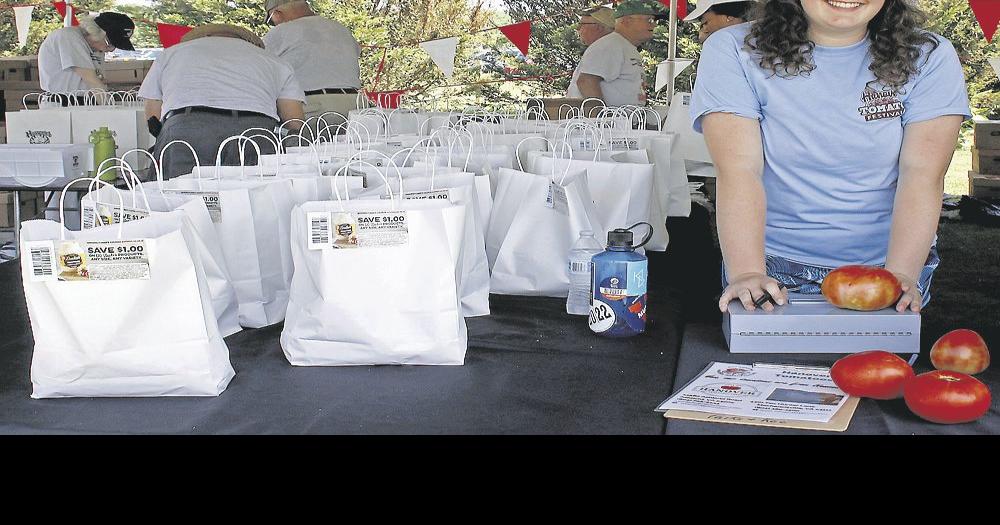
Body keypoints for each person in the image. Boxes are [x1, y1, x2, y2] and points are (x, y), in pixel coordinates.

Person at [690, 0, 970, 314]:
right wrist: (747, 272)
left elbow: (922, 173)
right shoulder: (733, 49)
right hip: (771, 265)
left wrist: (900, 274)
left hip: (887, 266)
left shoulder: (929, 56)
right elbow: (739, 168)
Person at [138, 24, 306, 180]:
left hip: (186, 131)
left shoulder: (171, 54)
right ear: (248, 42)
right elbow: (294, 122)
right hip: (255, 132)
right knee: (254, 200)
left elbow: (153, 114)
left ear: (203, 37)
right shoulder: (274, 60)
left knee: (180, 199)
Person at [263, 0, 362, 122]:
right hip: (356, 106)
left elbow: (259, 66)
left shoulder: (281, 32)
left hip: (313, 108)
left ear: (277, 14)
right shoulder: (342, 29)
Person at [569, 0, 666, 106]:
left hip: (622, 120)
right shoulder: (611, 45)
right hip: (608, 121)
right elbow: (586, 81)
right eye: (649, 20)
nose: (654, 25)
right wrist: (603, 117)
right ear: (627, 21)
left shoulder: (623, 46)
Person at [37, 12, 135, 97]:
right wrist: (110, 110)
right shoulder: (69, 37)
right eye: (110, 44)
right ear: (94, 32)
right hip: (61, 104)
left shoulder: (97, 46)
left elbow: (99, 83)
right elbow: (92, 81)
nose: (111, 50)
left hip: (85, 102)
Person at [566, 7, 615, 98]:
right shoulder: (605, 47)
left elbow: (586, 82)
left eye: (581, 25)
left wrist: (598, 111)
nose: (578, 29)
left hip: (588, 111)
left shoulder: (604, 48)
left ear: (598, 27)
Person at [684, 0, 757, 43]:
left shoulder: (722, 43)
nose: (704, 30)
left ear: (730, 17)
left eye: (706, 23)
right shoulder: (762, 38)